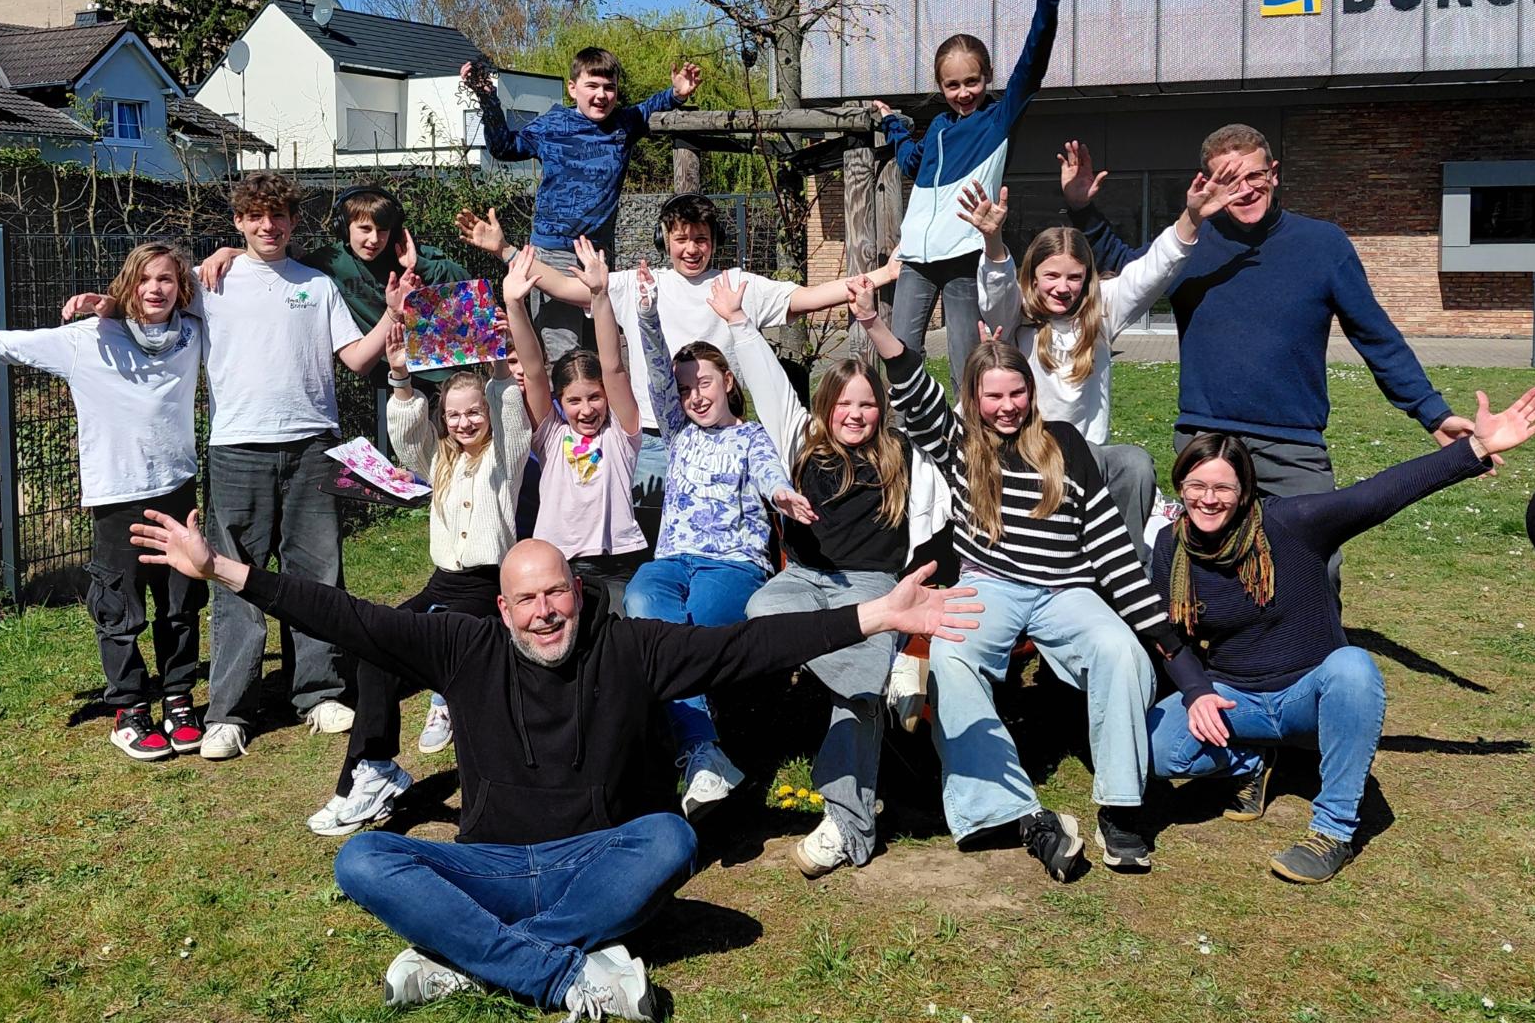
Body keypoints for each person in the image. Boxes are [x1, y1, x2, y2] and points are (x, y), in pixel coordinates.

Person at [127, 517, 980, 1017]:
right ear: (502, 610)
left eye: (557, 592)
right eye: (527, 599)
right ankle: (566, 972)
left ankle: (469, 959)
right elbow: (344, 616)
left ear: (580, 589)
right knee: (363, 858)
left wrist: (873, 615)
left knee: (671, 843)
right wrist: (226, 570)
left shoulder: (631, 647)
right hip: (487, 865)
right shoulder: (460, 646)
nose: (544, 612)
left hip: (597, 861)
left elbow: (743, 646)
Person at [65, 172, 418, 759]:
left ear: (293, 222)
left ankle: (320, 693)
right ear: (238, 222)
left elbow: (356, 360)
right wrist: (106, 305)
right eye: (255, 217)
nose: (268, 226)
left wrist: (390, 314)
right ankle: (230, 710)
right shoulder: (209, 284)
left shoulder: (318, 285)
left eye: (278, 216)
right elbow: (152, 309)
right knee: (234, 580)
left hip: (313, 448)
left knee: (317, 576)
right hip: (237, 452)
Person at [858, 299, 1213, 879]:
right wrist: (876, 326)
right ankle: (1011, 809)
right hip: (988, 583)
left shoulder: (1066, 445)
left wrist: (1169, 646)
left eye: (1015, 393)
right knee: (952, 656)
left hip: (1065, 589)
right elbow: (917, 397)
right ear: (974, 399)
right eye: (992, 396)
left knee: (1120, 650)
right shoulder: (960, 446)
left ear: (1031, 392)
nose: (1006, 406)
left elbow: (1111, 552)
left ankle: (1121, 808)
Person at [1143, 386, 1535, 883]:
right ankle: (1248, 764)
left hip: (1308, 701)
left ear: (1245, 490)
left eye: (1222, 488)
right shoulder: (1173, 546)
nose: (1208, 499)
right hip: (1236, 701)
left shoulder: (1292, 524)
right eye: (1196, 486)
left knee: (1353, 667)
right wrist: (1198, 692)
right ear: (1180, 485)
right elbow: (1168, 634)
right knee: (1156, 745)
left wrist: (1476, 449)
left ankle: (1332, 830)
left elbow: (1380, 494)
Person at [1061, 127, 1471, 509]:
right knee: (1208, 571)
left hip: (1293, 443)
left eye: (1255, 176)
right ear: (1208, 184)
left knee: (1314, 567)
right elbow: (1128, 268)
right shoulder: (1190, 245)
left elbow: (1376, 338)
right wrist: (1082, 209)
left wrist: (1432, 413)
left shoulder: (1323, 245)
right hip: (1207, 436)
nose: (1245, 190)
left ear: (1273, 173)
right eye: (1228, 180)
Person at [0, 241, 207, 762]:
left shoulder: (194, 334)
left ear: (181, 288)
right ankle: (131, 709)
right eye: (144, 279)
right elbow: (6, 343)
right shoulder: (85, 339)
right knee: (121, 606)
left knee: (181, 602)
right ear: (126, 284)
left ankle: (179, 698)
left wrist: (225, 250)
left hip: (178, 488)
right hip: (118, 498)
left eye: (166, 279)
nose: (155, 289)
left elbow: (237, 279)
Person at [461, 192, 902, 541]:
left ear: (714, 242)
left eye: (701, 239)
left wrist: (877, 278)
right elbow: (558, 284)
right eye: (681, 239)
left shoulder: (736, 284)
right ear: (665, 241)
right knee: (647, 537)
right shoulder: (638, 284)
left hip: (721, 439)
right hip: (649, 441)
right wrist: (504, 249)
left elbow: (806, 298)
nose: (692, 249)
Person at [713, 274, 928, 877]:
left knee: (852, 692)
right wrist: (736, 322)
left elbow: (929, 405)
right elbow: (766, 380)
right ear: (827, 405)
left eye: (866, 404)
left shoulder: (902, 454)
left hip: (872, 584)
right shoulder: (801, 440)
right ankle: (885, 672)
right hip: (806, 578)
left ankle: (848, 823)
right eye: (844, 403)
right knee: (761, 613)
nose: (855, 414)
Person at [306, 332, 533, 837]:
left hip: (482, 588)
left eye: (473, 412)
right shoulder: (441, 459)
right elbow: (409, 439)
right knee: (374, 650)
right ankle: (372, 771)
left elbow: (514, 416)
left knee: (438, 654)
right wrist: (402, 379)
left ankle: (416, 732)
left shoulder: (504, 457)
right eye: (453, 415)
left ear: (488, 413)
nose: (464, 422)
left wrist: (496, 365)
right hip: (440, 585)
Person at [963, 156, 1241, 559]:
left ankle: (1126, 567)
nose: (1063, 287)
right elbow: (997, 293)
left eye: (1074, 277)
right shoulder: (1018, 316)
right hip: (1025, 452)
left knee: (1136, 463)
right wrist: (993, 241)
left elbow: (1153, 270)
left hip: (1087, 455)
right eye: (1051, 276)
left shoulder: (1102, 310)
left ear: (1087, 279)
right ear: (1033, 277)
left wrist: (1192, 218)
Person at [624, 261, 820, 822]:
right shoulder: (679, 432)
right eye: (686, 390)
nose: (693, 396)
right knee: (642, 605)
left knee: (684, 637)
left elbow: (768, 473)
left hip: (732, 566)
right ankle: (705, 751)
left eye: (703, 383)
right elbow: (657, 370)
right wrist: (644, 311)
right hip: (671, 564)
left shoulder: (753, 434)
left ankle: (696, 751)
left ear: (728, 382)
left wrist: (782, 496)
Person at [870, 0, 1067, 389]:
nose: (963, 92)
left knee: (967, 360)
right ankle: (906, 439)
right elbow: (911, 163)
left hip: (964, 258)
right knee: (901, 354)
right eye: (953, 84)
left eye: (972, 81)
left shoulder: (997, 120)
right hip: (917, 259)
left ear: (988, 77)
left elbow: (1032, 64)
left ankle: (969, 444)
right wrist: (892, 124)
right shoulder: (938, 128)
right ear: (940, 86)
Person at [464, 48, 700, 361]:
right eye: (593, 86)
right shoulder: (554, 124)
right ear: (573, 88)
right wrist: (487, 98)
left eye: (609, 87)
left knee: (601, 352)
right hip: (553, 253)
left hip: (599, 255)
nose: (602, 95)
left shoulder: (623, 125)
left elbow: (648, 108)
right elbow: (504, 147)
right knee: (563, 358)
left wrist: (676, 94)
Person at [200, 185, 469, 453]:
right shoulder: (328, 262)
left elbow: (466, 287)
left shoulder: (407, 253)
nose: (374, 239)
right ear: (344, 228)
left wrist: (416, 263)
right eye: (364, 229)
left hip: (443, 374)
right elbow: (270, 253)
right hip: (394, 378)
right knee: (419, 461)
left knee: (460, 454)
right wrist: (227, 252)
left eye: (382, 230)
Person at [500, 240, 650, 610]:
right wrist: (515, 306)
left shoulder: (621, 432)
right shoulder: (551, 434)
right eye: (574, 401)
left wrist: (600, 296)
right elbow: (534, 372)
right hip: (561, 562)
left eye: (594, 397)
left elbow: (613, 367)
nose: (586, 410)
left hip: (619, 562)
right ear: (560, 402)